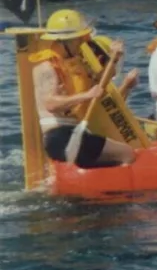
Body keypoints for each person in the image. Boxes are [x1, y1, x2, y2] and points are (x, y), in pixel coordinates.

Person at [29, 9, 139, 167]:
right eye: (77, 39)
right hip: (59, 135)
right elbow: (50, 104)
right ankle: (113, 190)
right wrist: (86, 96)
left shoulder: (75, 62)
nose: (81, 42)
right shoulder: (46, 67)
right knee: (126, 153)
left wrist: (114, 59)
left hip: (74, 131)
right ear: (63, 41)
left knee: (119, 152)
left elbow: (101, 84)